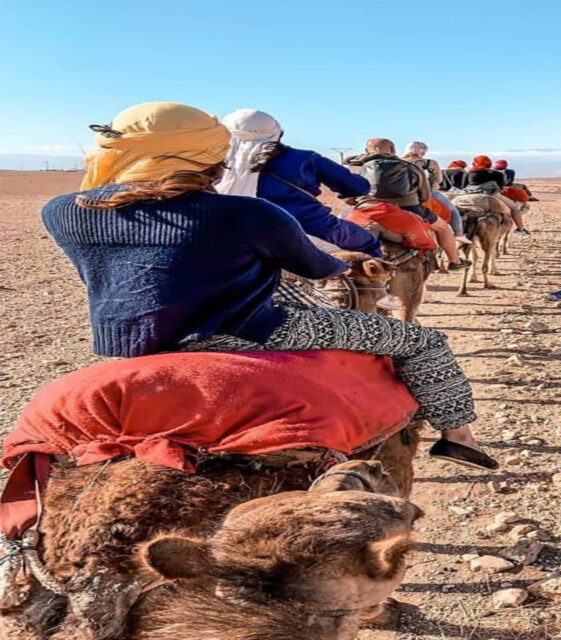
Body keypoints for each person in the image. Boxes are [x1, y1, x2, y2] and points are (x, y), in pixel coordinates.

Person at [43, 102, 496, 470]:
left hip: (130, 346)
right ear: (209, 155)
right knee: (419, 340)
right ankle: (458, 437)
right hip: (253, 332)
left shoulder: (61, 211)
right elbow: (317, 267)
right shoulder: (247, 214)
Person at [216, 108, 381, 258]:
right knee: (369, 243)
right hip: (312, 230)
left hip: (234, 233)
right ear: (277, 133)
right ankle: (376, 289)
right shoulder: (304, 158)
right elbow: (358, 187)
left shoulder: (212, 164)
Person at [347, 138, 470, 270]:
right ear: (393, 150)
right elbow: (425, 195)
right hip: (408, 209)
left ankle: (337, 267)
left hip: (367, 209)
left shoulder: (356, 167)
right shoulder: (410, 166)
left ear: (366, 150)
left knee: (342, 231)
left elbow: (348, 196)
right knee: (443, 228)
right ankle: (455, 261)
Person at [402, 141, 468, 242]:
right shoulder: (431, 163)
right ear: (422, 151)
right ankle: (458, 233)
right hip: (429, 192)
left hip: (403, 194)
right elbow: (439, 180)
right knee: (453, 211)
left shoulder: (398, 162)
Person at [465, 155, 528, 234]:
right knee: (514, 208)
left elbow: (463, 185)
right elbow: (501, 187)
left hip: (469, 196)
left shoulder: (470, 173)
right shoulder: (496, 174)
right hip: (491, 195)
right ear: (489, 164)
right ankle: (520, 229)